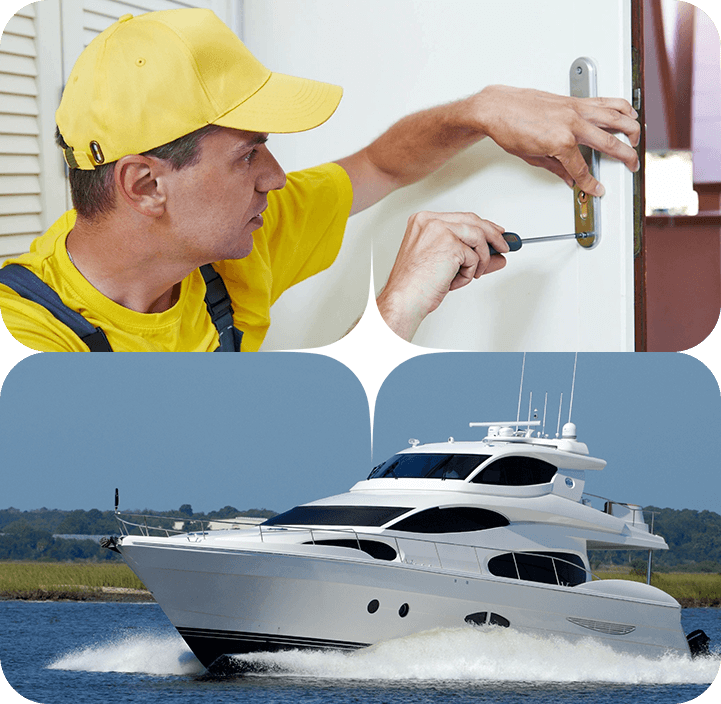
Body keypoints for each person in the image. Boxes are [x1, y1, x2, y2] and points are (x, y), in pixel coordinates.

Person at [0, 8, 640, 351]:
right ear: (144, 186)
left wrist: (480, 109)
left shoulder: (236, 240)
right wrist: (400, 304)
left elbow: (381, 165)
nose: (276, 179)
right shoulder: (32, 336)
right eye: (249, 155)